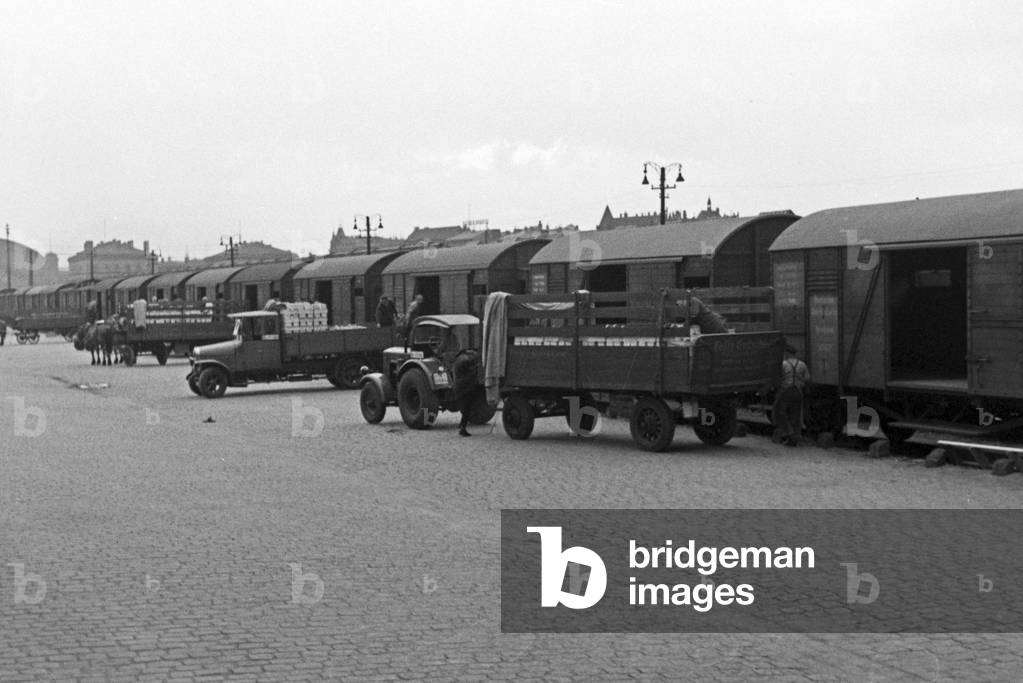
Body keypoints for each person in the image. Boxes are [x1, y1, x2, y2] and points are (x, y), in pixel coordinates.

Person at [773, 344, 811, 447]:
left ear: (787, 353)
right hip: (798, 391)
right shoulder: (802, 364)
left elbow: (778, 377)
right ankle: (795, 437)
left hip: (785, 391)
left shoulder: (784, 364)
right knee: (796, 415)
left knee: (779, 412)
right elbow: (807, 378)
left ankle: (788, 432)